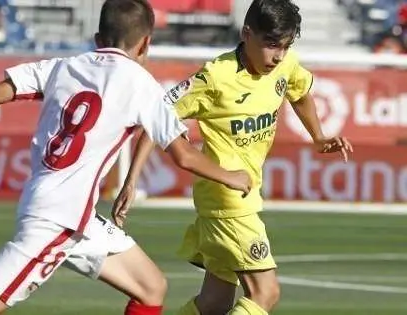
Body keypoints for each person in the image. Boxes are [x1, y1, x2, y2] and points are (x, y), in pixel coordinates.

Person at [0, 1, 251, 315]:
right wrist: (233, 177)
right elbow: (185, 156)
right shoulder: (141, 84)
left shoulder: (62, 66)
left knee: (150, 287)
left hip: (67, 213)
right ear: (146, 43)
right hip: (59, 221)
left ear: (99, 37)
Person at [112, 1, 354, 315]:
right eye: (270, 45)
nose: (277, 56)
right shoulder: (215, 77)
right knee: (265, 293)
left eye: (285, 46)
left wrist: (318, 137)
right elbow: (155, 119)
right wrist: (131, 181)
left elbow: (300, 93)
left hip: (238, 199)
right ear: (246, 33)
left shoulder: (285, 64)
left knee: (215, 302)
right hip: (228, 200)